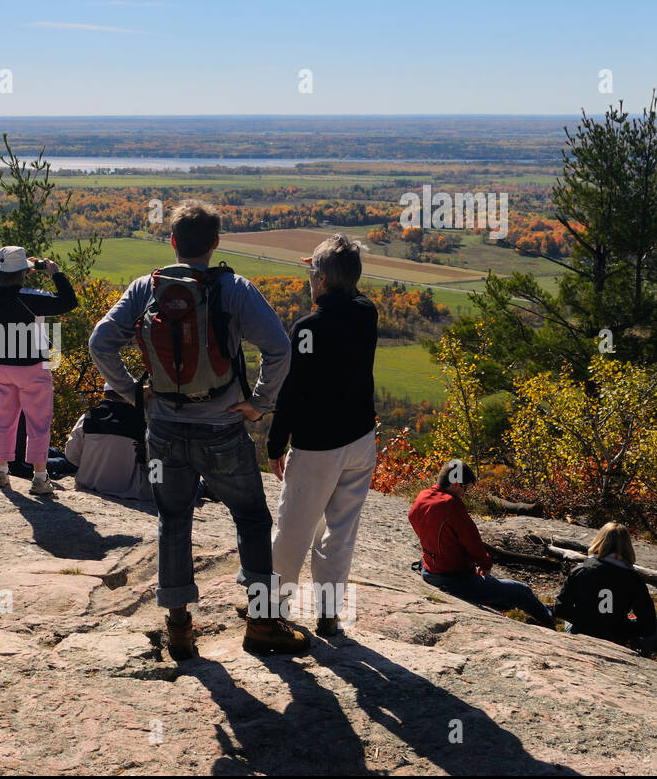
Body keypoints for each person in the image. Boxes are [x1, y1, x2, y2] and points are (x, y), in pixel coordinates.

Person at [89, 200, 305, 659]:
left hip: (164, 430)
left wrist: (132, 393)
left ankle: (180, 630)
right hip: (224, 429)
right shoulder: (234, 288)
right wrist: (258, 404)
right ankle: (262, 624)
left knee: (173, 521)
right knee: (250, 519)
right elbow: (279, 349)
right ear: (215, 243)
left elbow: (99, 343)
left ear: (172, 242)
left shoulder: (143, 289)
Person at [267, 234, 378, 638]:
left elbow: (293, 391)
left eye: (313, 274)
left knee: (292, 532)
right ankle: (329, 614)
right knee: (340, 533)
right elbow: (351, 297)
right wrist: (327, 272)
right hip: (361, 441)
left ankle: (269, 611)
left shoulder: (307, 329)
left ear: (321, 278)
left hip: (317, 448)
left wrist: (275, 444)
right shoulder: (367, 312)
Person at [408, 460, 556, 627]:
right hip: (454, 580)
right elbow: (473, 542)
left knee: (497, 590)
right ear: (456, 483)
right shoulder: (451, 505)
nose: (465, 492)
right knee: (522, 591)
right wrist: (485, 563)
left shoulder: (423, 496)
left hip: (429, 570)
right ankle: (550, 622)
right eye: (465, 487)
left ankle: (510, 608)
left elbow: (412, 517)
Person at [0, 247, 78, 496]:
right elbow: (69, 302)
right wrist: (55, 273)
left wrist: (22, 269)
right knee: (38, 422)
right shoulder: (32, 297)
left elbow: (6, 289)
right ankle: (39, 478)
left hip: (0, 366)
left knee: (3, 421)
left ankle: (1, 471)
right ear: (24, 272)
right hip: (32, 367)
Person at [554, 523, 656, 651]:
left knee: (571, 615)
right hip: (616, 636)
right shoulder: (633, 578)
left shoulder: (580, 570)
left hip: (582, 631)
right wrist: (623, 626)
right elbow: (648, 625)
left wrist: (587, 620)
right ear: (627, 546)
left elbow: (560, 608)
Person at [63, 385, 153, 501]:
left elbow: (70, 454)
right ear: (129, 396)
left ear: (105, 394)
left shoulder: (88, 416)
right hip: (125, 489)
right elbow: (152, 459)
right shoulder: (140, 422)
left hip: (87, 484)